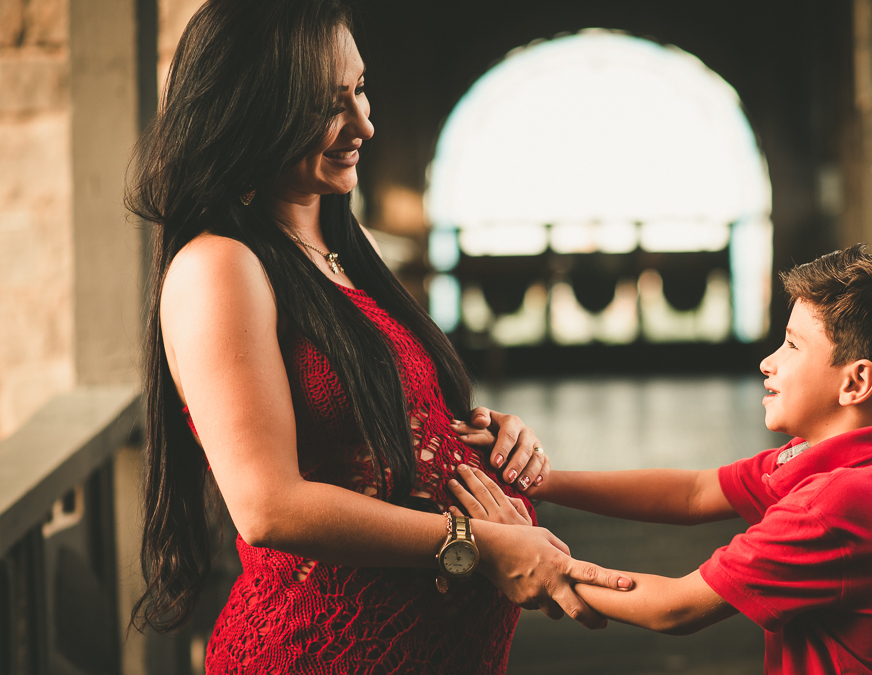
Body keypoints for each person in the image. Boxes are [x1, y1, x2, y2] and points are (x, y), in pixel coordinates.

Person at [125, 1, 629, 672]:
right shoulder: (221, 264)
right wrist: (479, 541)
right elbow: (267, 505)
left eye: (359, 89)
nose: (364, 122)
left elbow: (362, 430)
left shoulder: (335, 256)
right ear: (252, 107)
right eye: (326, 105)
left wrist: (481, 438)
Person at [458, 245, 872, 674]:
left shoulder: (841, 502)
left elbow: (675, 608)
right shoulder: (850, 462)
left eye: (792, 346)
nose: (768, 362)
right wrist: (531, 481)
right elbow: (693, 492)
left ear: (855, 382)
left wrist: (541, 566)